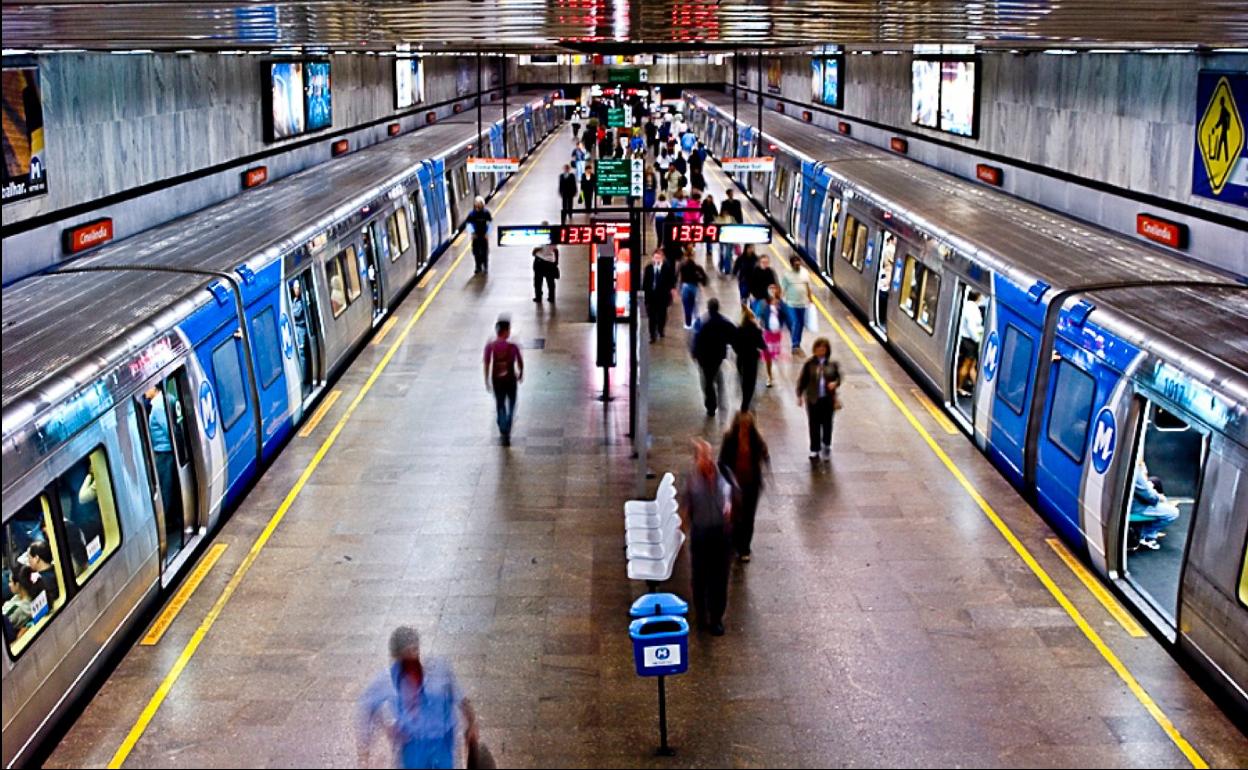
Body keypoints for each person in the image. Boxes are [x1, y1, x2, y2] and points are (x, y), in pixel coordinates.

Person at [357, 626, 478, 770]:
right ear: (396, 656)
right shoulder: (386, 682)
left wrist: (471, 724)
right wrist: (367, 750)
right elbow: (368, 707)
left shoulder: (439, 669)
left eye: (414, 650)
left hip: (444, 742)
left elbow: (460, 697)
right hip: (412, 745)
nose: (412, 655)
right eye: (406, 653)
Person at [683, 439, 733, 636]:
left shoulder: (723, 475)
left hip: (721, 533)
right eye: (702, 456)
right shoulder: (691, 480)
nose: (707, 460)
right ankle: (701, 615)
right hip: (701, 533)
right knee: (700, 576)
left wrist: (731, 509)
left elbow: (732, 494)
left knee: (719, 578)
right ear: (696, 460)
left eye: (709, 455)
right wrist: (683, 521)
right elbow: (686, 504)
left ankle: (716, 618)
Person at [718, 412, 770, 562]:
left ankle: (744, 548)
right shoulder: (729, 439)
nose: (745, 429)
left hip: (751, 484)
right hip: (734, 484)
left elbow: (763, 456)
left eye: (747, 426)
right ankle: (735, 542)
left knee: (748, 516)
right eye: (742, 426)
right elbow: (722, 462)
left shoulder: (756, 440)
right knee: (735, 516)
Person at [796, 338, 841, 461]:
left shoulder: (832, 364)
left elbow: (838, 378)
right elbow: (802, 380)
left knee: (827, 423)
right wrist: (799, 395)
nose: (820, 351)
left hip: (827, 399)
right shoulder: (809, 364)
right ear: (814, 350)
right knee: (814, 424)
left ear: (827, 351)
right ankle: (814, 449)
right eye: (818, 349)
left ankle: (826, 442)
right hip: (813, 399)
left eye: (823, 349)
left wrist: (835, 383)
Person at [691, 298, 737, 417]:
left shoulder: (702, 321)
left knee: (707, 382)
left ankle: (711, 406)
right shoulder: (724, 321)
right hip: (717, 356)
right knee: (715, 374)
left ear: (708, 307)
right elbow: (734, 335)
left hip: (704, 357)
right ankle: (721, 400)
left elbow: (696, 339)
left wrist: (694, 353)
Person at [483, 316, 524, 445]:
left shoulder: (490, 346)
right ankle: (508, 423)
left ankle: (502, 426)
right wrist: (521, 373)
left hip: (497, 380)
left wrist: (486, 380)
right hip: (511, 379)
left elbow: (487, 363)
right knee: (511, 403)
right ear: (506, 331)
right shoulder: (513, 347)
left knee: (500, 404)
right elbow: (520, 362)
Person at [1130, 459, 1180, 550]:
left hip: (1133, 500)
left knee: (1155, 481)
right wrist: (1159, 498)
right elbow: (1150, 497)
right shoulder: (1134, 470)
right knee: (1173, 513)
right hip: (1135, 507)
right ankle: (1146, 536)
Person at [734, 308, 767, 412]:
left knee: (743, 380)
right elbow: (763, 346)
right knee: (751, 382)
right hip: (752, 359)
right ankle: (746, 402)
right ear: (750, 318)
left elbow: (734, 344)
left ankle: (744, 399)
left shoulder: (739, 329)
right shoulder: (756, 331)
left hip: (741, 359)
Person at [780, 255, 814, 355]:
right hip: (791, 303)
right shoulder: (787, 275)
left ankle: (797, 343)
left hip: (803, 303)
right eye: (795, 263)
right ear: (791, 264)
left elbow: (807, 286)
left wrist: (810, 299)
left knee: (801, 324)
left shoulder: (805, 273)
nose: (797, 264)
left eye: (798, 262)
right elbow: (783, 289)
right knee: (796, 322)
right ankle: (795, 345)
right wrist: (779, 301)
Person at [642, 250, 677, 343]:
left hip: (662, 297)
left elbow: (671, 281)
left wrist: (672, 292)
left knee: (662, 315)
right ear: (653, 258)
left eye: (659, 257)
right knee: (652, 317)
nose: (656, 259)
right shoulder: (648, 268)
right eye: (655, 257)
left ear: (662, 258)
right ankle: (652, 335)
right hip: (651, 297)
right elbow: (645, 283)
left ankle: (660, 329)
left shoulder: (667, 268)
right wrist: (645, 296)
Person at [758, 285, 787, 386]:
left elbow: (785, 315)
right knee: (767, 355)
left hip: (776, 334)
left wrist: (779, 306)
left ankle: (770, 371)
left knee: (773, 353)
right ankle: (769, 376)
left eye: (775, 291)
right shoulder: (763, 304)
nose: (773, 293)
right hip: (767, 333)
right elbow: (760, 315)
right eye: (771, 291)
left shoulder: (781, 304)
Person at [957, 291, 985, 397]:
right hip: (970, 341)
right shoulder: (973, 309)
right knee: (967, 365)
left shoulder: (966, 305)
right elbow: (971, 327)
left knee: (971, 365)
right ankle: (959, 387)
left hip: (965, 339)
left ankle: (978, 389)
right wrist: (977, 339)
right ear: (978, 296)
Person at [3, 565, 41, 635]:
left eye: (10, 582)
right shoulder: (19, 597)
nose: (9, 585)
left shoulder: (17, 610)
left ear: (17, 585)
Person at [289, 280, 312, 392]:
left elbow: (296, 313)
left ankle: (304, 378)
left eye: (297, 288)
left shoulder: (303, 299)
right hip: (297, 329)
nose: (295, 290)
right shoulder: (295, 300)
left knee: (302, 353)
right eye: (294, 288)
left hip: (302, 329)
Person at [677, 247, 708, 329]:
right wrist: (702, 281)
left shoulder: (682, 266)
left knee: (687, 306)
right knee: (695, 306)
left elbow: (678, 277)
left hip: (685, 287)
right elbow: (704, 278)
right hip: (694, 287)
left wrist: (678, 288)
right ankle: (697, 323)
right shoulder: (697, 267)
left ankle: (688, 323)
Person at [531, 222, 559, 303]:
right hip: (550, 262)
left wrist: (533, 252)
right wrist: (556, 261)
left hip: (540, 262)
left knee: (538, 281)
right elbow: (556, 250)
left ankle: (538, 297)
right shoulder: (554, 237)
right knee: (550, 282)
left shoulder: (542, 236)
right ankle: (551, 297)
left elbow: (537, 248)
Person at [466, 197, 493, 275]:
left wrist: (487, 233)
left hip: (484, 236)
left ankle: (485, 267)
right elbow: (468, 224)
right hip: (475, 236)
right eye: (477, 204)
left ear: (482, 205)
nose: (478, 206)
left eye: (479, 205)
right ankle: (478, 267)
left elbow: (489, 223)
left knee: (485, 252)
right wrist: (472, 233)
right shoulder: (471, 214)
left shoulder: (486, 213)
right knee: (476, 252)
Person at [699, 194, 719, 258]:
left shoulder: (713, 205)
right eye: (708, 198)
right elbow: (701, 211)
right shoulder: (704, 204)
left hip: (711, 222)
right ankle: (708, 250)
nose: (709, 199)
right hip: (706, 222)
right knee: (708, 237)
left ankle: (709, 250)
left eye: (710, 198)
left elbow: (716, 213)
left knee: (709, 237)